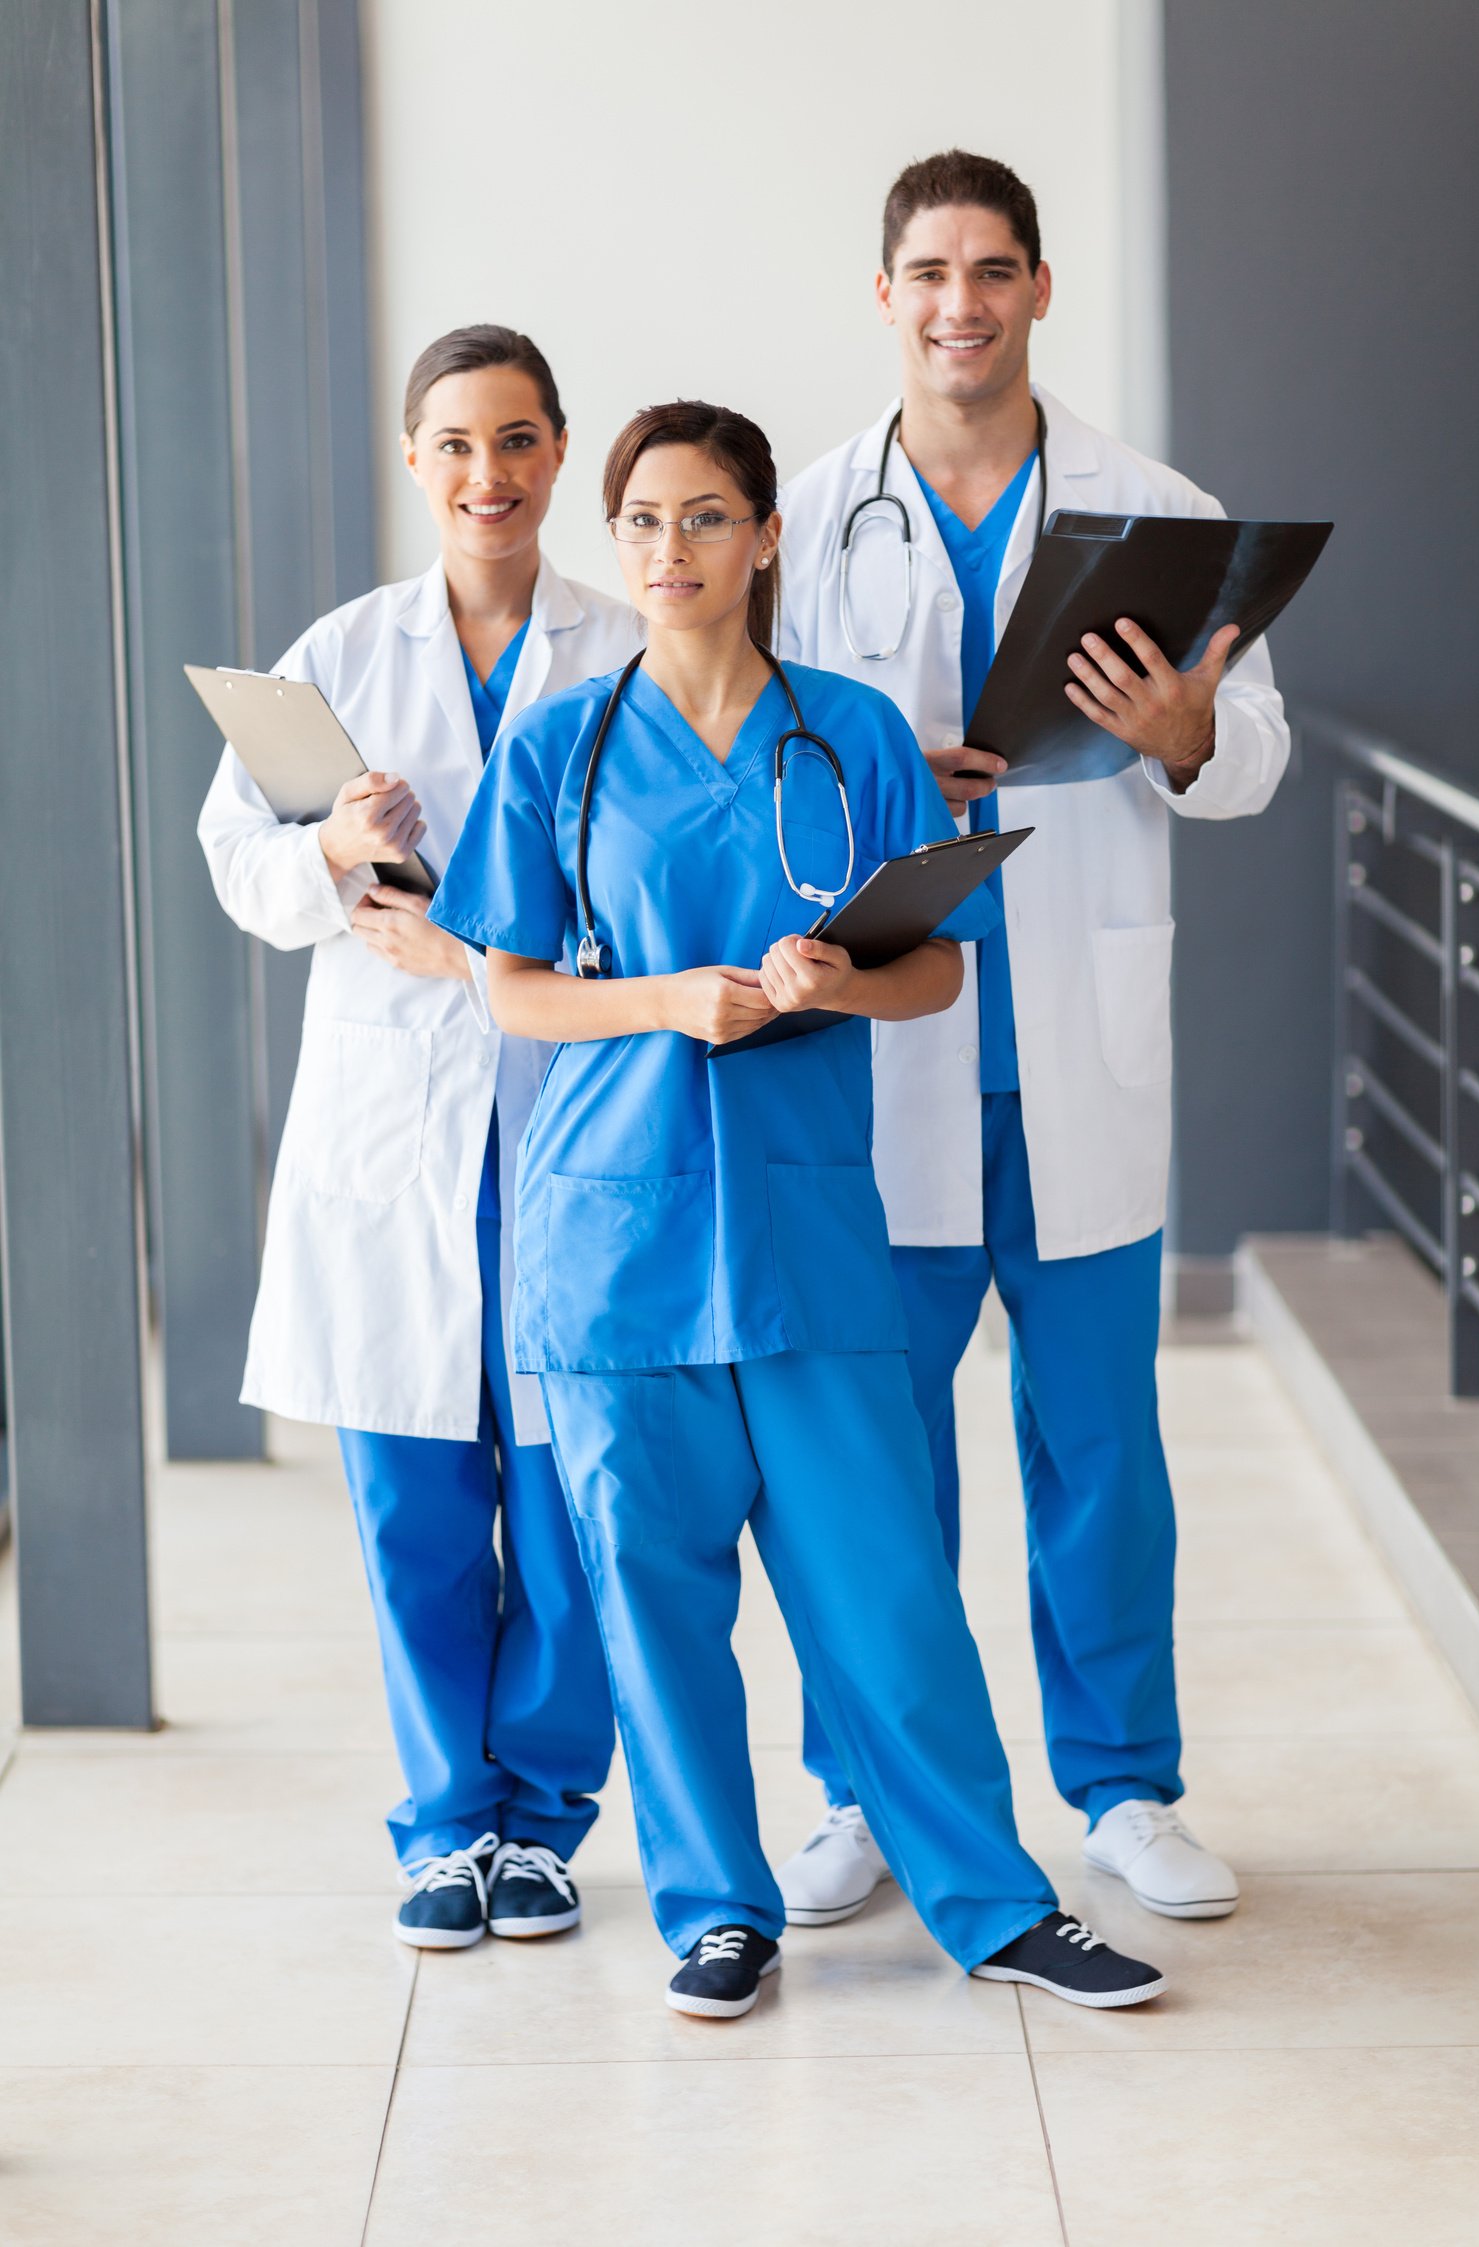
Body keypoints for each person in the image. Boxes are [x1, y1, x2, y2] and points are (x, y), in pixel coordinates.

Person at [430, 398, 1166, 2021]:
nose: (667, 551)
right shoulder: (564, 746)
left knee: (885, 1596)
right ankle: (716, 1912)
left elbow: (933, 972)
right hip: (616, 1245)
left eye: (702, 519)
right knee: (658, 1598)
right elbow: (511, 992)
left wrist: (835, 975)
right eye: (638, 522)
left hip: (813, 1235)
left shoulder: (849, 734)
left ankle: (992, 1903)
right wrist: (666, 1002)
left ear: (765, 537)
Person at [775, 151, 1289, 1928]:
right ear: (884, 294)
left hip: (1070, 1055)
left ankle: (1125, 1789)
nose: (960, 304)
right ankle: (862, 1787)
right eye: (928, 272)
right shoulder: (805, 515)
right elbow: (738, 761)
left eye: (994, 271)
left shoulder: (1158, 508)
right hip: (888, 1055)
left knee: (1097, 1450)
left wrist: (1182, 733)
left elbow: (1259, 759)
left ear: (1041, 290)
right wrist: (867, 772)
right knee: (873, 1465)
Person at [198, 324, 640, 1950]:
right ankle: (446, 1826)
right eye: (455, 444)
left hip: (575, 1108)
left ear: (557, 453)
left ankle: (544, 1823)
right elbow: (239, 866)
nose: (489, 475)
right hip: (394, 1131)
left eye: (518, 441)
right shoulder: (342, 651)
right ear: (413, 460)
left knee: (574, 1496)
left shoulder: (621, 647)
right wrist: (331, 850)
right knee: (414, 1503)